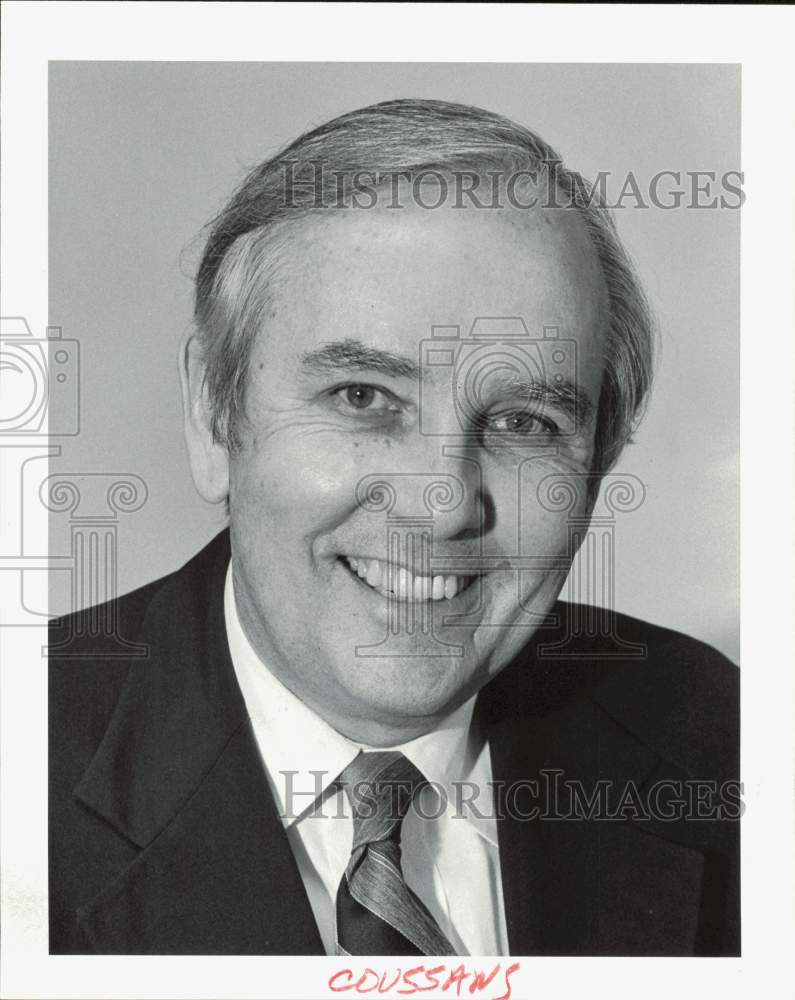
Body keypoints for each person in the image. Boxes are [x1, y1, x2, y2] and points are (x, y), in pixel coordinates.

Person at [48, 99, 739, 957]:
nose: (442, 504)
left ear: (596, 461)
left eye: (524, 422)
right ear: (213, 414)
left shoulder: (722, 741)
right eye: (363, 399)